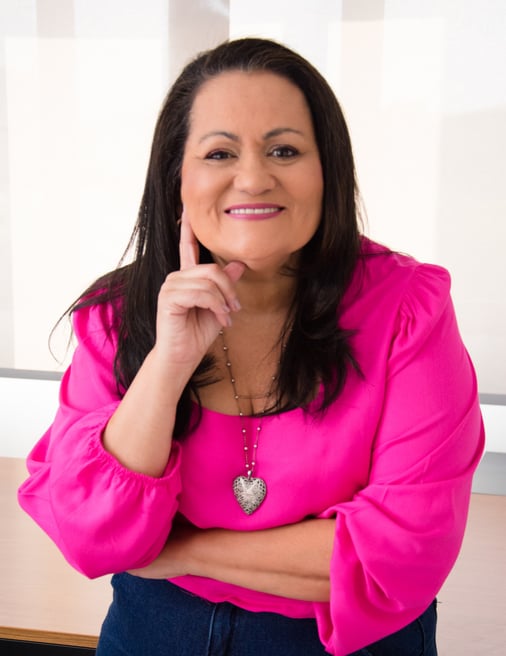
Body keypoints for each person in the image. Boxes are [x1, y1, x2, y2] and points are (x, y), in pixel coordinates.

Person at [18, 37, 484, 656]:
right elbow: (91, 536)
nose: (254, 178)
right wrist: (168, 363)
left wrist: (183, 550)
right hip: (154, 630)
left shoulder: (407, 308)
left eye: (284, 150)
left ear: (328, 172)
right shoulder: (117, 315)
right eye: (219, 153)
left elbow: (404, 553)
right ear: (177, 180)